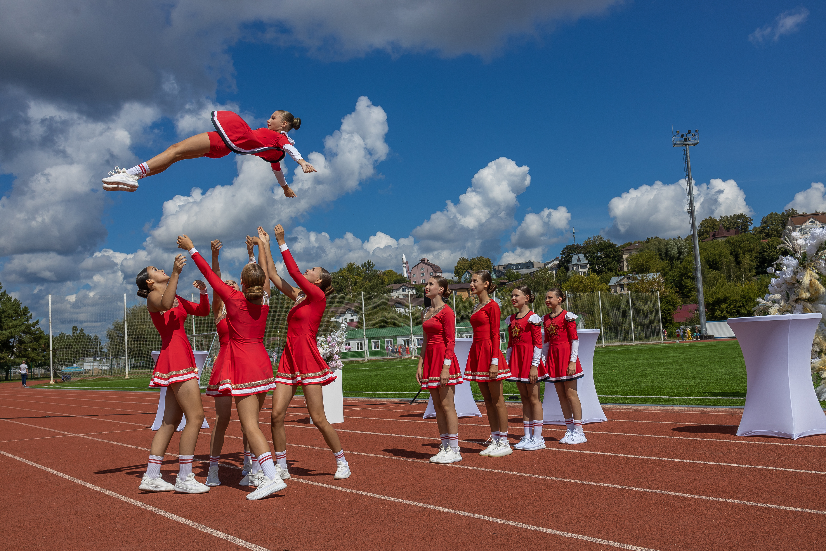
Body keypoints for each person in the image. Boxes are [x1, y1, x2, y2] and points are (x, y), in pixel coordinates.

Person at [178, 232, 286, 500]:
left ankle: (271, 477)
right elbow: (262, 272)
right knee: (251, 423)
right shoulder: (266, 299)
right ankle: (262, 473)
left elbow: (209, 274)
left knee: (250, 426)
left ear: (242, 283)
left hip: (244, 367)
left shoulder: (234, 299)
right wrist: (261, 247)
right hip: (262, 363)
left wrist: (192, 248)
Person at [259, 224, 351, 480]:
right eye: (308, 269)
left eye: (312, 270)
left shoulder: (318, 297)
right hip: (289, 358)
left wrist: (282, 241)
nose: (307, 271)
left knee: (318, 417)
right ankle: (281, 465)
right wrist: (266, 245)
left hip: (308, 358)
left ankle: (342, 461)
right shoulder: (301, 296)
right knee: (276, 415)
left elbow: (292, 271)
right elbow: (274, 276)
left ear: (318, 281)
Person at [102, 110, 316, 196]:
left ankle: (130, 174)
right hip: (224, 149)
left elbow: (290, 148)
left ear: (284, 124)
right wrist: (285, 187)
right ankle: (133, 177)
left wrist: (302, 161)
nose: (268, 120)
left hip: (223, 140)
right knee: (176, 156)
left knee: (175, 150)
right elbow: (277, 169)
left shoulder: (280, 139)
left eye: (273, 118)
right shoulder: (274, 150)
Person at [135, 256, 211, 494]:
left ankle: (151, 476)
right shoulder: (153, 297)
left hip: (178, 356)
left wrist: (204, 293)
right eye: (155, 269)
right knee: (196, 417)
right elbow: (165, 304)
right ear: (149, 282)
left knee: (170, 421)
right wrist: (176, 273)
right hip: (176, 358)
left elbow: (203, 311)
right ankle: (185, 477)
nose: (161, 269)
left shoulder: (175, 296)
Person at [202, 238, 256, 487]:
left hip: (244, 363)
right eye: (227, 284)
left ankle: (248, 463)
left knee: (248, 421)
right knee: (222, 418)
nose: (230, 285)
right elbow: (215, 278)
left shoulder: (246, 306)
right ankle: (213, 468)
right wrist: (215, 256)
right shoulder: (219, 309)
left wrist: (251, 253)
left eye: (235, 283)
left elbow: (255, 279)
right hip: (225, 363)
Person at [463, 271, 511, 457]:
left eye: (475, 281)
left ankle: (505, 442)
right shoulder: (477, 306)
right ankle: (495, 438)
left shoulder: (493, 306)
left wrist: (494, 362)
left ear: (486, 284)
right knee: (488, 401)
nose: (471, 284)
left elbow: (495, 334)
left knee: (498, 400)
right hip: (478, 352)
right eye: (471, 281)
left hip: (490, 353)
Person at [417, 277, 463, 464]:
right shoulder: (426, 312)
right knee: (437, 406)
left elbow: (451, 341)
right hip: (430, 361)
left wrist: (446, 367)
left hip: (444, 360)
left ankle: (455, 449)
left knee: (447, 405)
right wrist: (420, 364)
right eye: (426, 284)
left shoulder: (447, 312)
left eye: (431, 284)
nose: (426, 287)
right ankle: (445, 446)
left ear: (441, 289)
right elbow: (425, 341)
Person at [505, 285, 546, 451]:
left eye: (517, 295)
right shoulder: (511, 319)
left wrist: (534, 366)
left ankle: (538, 437)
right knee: (524, 399)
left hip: (529, 360)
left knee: (534, 398)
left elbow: (538, 343)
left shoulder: (533, 318)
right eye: (512, 295)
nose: (513, 298)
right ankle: (528, 436)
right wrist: (508, 362)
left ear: (527, 298)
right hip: (517, 361)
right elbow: (510, 343)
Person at [543, 289, 586, 445]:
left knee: (571, 394)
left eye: (550, 297)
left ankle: (579, 431)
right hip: (553, 359)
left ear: (560, 299)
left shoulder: (568, 317)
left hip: (566, 357)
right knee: (561, 395)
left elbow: (574, 340)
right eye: (546, 298)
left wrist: (572, 361)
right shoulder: (545, 319)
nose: (547, 300)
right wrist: (544, 360)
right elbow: (547, 342)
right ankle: (569, 429)